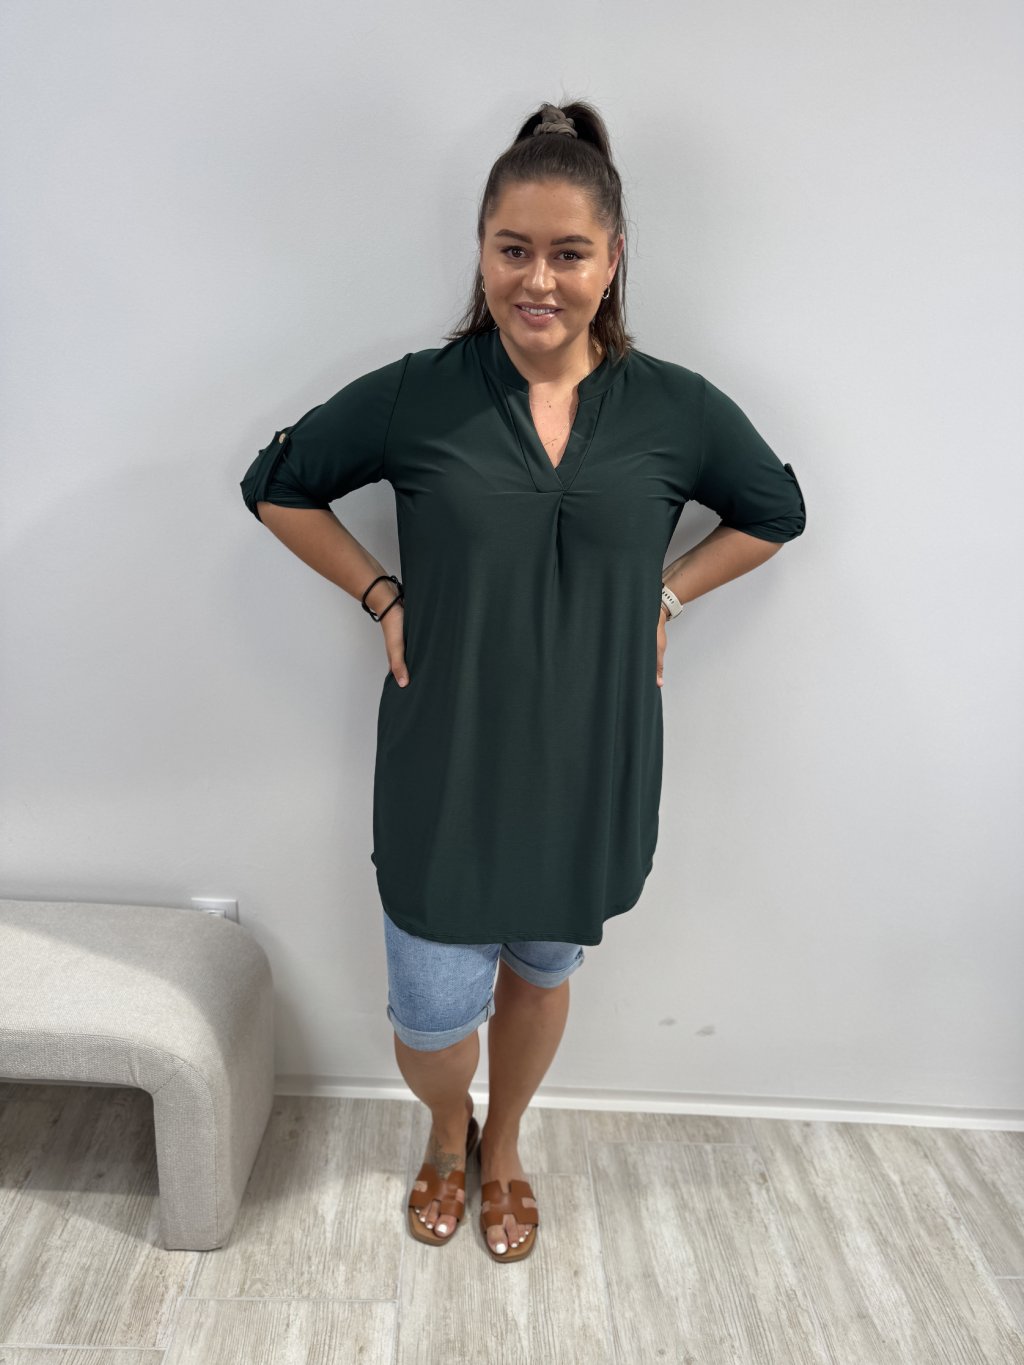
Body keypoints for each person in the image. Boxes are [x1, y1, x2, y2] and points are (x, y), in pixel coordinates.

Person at [239, 99, 806, 1262]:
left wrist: (666, 595)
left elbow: (774, 511)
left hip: (590, 752)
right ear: (482, 250)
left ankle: (502, 1148)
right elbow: (276, 485)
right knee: (431, 1015)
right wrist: (380, 593)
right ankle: (444, 1127)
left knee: (543, 969)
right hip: (444, 756)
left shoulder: (676, 409)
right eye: (513, 249)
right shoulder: (419, 394)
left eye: (567, 253)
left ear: (613, 260)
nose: (537, 280)